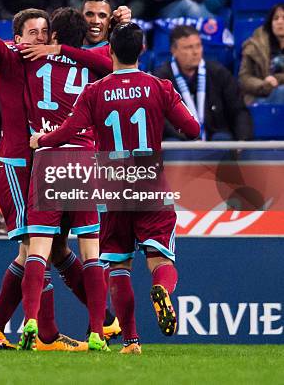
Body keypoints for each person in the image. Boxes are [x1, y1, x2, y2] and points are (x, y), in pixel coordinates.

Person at [30, 22, 201, 354]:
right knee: (158, 259)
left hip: (111, 183)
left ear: (109, 52)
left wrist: (41, 140)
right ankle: (162, 290)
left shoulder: (94, 91)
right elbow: (192, 128)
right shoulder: (158, 86)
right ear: (142, 50)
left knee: (119, 265)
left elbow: (68, 131)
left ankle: (131, 342)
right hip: (149, 177)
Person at [0, 0, 89, 352]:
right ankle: (45, 336)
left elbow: (102, 58)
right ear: (17, 38)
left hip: (43, 165)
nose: (38, 38)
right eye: (31, 32)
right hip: (15, 166)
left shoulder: (50, 63)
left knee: (52, 248)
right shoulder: (7, 57)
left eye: (43, 32)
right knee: (36, 249)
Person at [18, 7, 110, 352]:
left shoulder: (31, 59)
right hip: (84, 159)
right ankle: (98, 334)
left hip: (48, 156)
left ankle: (30, 319)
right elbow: (117, 58)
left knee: (38, 250)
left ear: (52, 36)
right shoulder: (94, 65)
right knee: (91, 253)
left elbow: (9, 52)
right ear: (82, 37)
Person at [154, 25, 253, 141]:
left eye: (198, 46)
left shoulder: (218, 73)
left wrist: (243, 140)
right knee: (172, 144)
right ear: (174, 51)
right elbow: (159, 119)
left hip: (214, 139)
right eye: (188, 47)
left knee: (222, 140)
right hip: (180, 141)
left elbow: (238, 110)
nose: (195, 52)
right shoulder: (160, 80)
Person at [239, 3, 284, 105]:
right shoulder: (254, 46)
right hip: (259, 97)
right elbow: (244, 78)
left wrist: (277, 79)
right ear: (270, 23)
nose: (280, 22)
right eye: (276, 18)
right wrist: (264, 84)